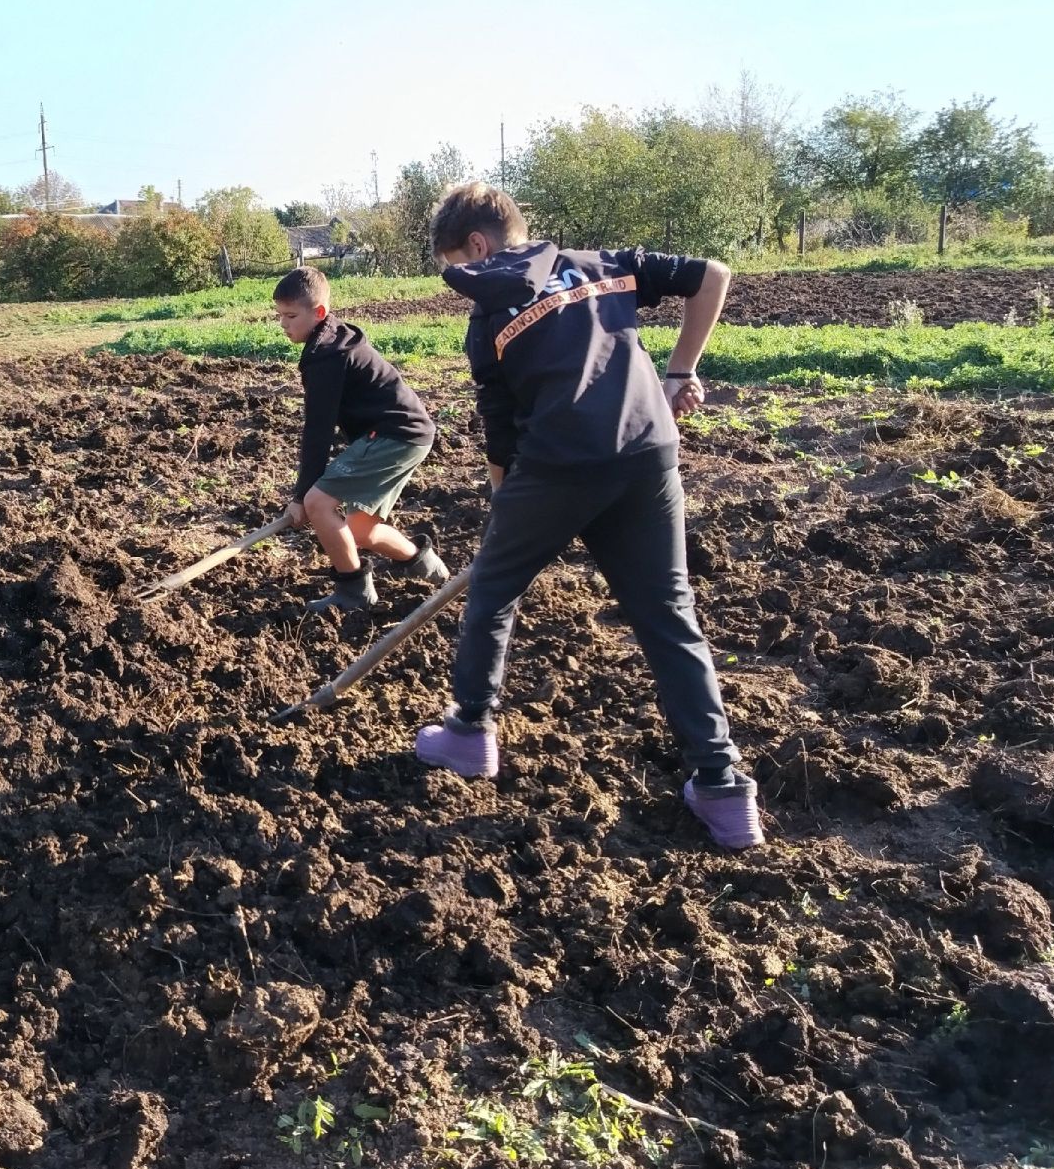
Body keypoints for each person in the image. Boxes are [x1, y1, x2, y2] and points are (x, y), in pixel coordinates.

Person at [416, 182, 762, 850]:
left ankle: (467, 734)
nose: (458, 277)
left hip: (557, 462)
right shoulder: (606, 263)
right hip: (645, 451)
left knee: (491, 591)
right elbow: (712, 276)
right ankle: (723, 789)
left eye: (454, 264)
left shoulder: (488, 315)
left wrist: (505, 521)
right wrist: (677, 372)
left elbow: (501, 432)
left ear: (478, 246)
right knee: (668, 613)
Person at [272, 266, 449, 613]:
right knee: (360, 531)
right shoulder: (333, 338)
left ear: (319, 312)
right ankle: (426, 567)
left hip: (394, 434)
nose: (283, 324)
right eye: (279, 315)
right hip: (411, 433)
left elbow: (318, 432)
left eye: (291, 315)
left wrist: (300, 497)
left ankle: (353, 591)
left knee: (318, 503)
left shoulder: (325, 356)